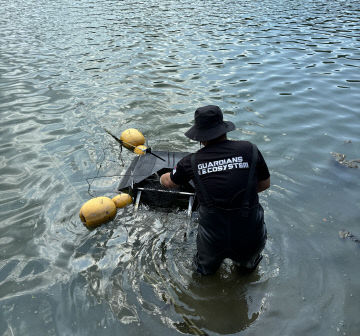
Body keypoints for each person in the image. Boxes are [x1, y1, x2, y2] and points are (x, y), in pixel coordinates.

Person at [160, 105, 270, 275]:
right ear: (223, 129)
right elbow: (265, 184)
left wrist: (162, 177)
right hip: (249, 231)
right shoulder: (250, 149)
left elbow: (169, 182)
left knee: (205, 276)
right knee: (248, 273)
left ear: (200, 136)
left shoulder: (191, 161)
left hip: (213, 237)